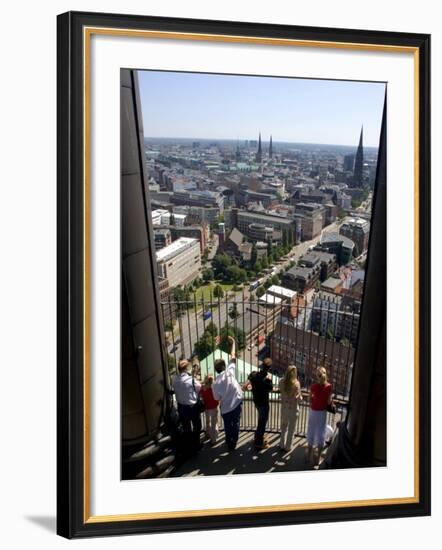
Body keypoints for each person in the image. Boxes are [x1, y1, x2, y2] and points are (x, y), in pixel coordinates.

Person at [212, 336, 243, 451]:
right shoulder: (229, 371)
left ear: (216, 370)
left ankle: (229, 440)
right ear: (224, 366)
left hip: (225, 408)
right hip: (236, 403)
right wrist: (233, 342)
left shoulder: (215, 384)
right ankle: (233, 442)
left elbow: (216, 398)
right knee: (235, 423)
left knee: (227, 425)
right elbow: (233, 355)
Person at [171, 359, 202, 454]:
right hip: (192, 407)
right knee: (197, 426)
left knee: (186, 427)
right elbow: (199, 388)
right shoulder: (191, 380)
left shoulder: (174, 379)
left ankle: (189, 446)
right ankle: (196, 444)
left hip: (181, 407)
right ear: (186, 368)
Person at [244, 357, 273, 449]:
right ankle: (258, 442)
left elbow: (246, 384)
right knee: (262, 422)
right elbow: (270, 389)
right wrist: (270, 379)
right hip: (264, 403)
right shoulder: (267, 379)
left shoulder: (254, 374)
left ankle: (258, 437)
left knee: (261, 420)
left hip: (256, 401)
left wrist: (251, 387)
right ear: (269, 368)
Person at [306, 367, 333, 467]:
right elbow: (329, 402)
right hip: (322, 413)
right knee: (321, 433)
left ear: (317, 376)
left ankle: (308, 456)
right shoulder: (329, 386)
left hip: (313, 411)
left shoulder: (313, 386)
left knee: (311, 431)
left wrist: (314, 399)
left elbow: (310, 400)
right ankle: (317, 459)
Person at [278, 365, 302, 452]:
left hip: (284, 408)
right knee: (291, 429)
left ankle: (281, 444)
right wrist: (299, 396)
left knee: (284, 427)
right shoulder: (296, 384)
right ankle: (288, 447)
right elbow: (299, 399)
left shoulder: (281, 382)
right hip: (293, 409)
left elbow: (280, 390)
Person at [200, 375, 219, 444]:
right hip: (214, 407)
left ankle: (208, 433)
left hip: (206, 407)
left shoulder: (202, 388)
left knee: (207, 421)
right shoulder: (214, 388)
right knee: (214, 422)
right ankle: (213, 439)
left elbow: (201, 396)